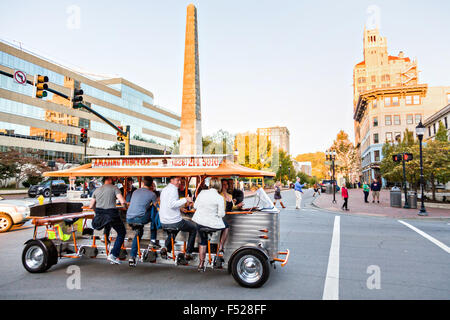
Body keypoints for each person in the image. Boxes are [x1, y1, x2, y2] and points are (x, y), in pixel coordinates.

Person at [192, 178, 229, 272]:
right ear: (219, 186)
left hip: (200, 222)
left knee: (203, 240)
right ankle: (220, 248)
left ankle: (201, 263)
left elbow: (195, 206)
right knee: (226, 226)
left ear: (210, 185)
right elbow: (221, 214)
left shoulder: (202, 193)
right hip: (212, 224)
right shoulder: (220, 198)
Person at [89, 176, 127, 264]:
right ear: (109, 179)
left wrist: (97, 211)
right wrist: (125, 207)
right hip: (111, 214)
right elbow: (122, 201)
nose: (114, 180)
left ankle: (105, 237)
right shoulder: (114, 188)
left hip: (100, 215)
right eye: (113, 179)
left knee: (107, 223)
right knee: (121, 232)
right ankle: (113, 254)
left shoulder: (96, 190)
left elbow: (91, 206)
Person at [159, 176, 196, 260]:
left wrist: (180, 207)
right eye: (177, 180)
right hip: (174, 221)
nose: (179, 182)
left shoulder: (164, 189)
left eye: (180, 180)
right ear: (171, 180)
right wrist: (186, 199)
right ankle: (188, 253)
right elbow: (172, 204)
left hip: (163, 221)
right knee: (193, 228)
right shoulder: (173, 189)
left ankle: (165, 248)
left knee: (175, 228)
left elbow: (168, 204)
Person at [126, 176, 157, 267]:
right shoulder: (152, 194)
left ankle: (132, 256)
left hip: (129, 218)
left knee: (139, 233)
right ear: (151, 185)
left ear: (143, 183)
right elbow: (157, 206)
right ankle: (153, 240)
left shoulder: (135, 192)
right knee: (154, 211)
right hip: (140, 218)